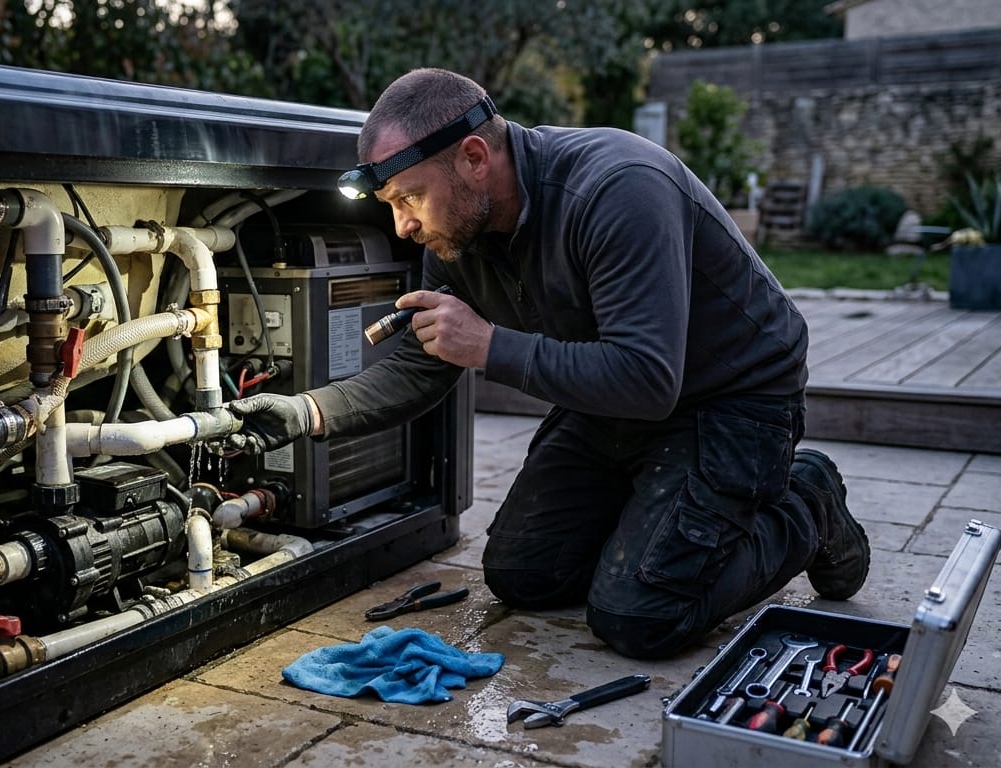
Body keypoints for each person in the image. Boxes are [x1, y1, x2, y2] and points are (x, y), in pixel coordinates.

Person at [226, 68, 870, 659]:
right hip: (614, 397)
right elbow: (426, 367)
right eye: (391, 204)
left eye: (408, 198)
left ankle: (807, 500)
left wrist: (488, 345)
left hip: (730, 399)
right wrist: (306, 411)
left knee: (639, 617)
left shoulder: (618, 188)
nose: (402, 227)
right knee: (522, 576)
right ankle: (661, 512)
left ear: (474, 158)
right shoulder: (457, 232)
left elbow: (648, 377)